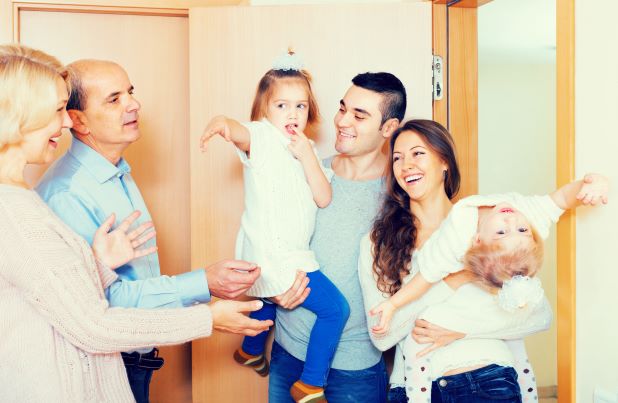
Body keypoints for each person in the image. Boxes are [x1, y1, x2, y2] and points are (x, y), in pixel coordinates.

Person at [0, 44, 272, 403]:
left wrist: (98, 263)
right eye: (57, 111)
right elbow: (93, 324)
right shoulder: (25, 209)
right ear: (19, 117)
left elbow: (63, 294)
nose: (65, 123)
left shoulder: (24, 199)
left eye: (130, 93)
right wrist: (207, 316)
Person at [358, 120, 562, 403]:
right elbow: (382, 335)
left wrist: (461, 331)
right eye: (397, 158)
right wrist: (454, 280)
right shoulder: (377, 242)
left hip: (487, 380)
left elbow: (540, 316)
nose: (406, 166)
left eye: (418, 153)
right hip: (413, 389)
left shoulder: (486, 226)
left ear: (444, 161)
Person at [200, 51, 349, 403]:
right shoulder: (263, 136)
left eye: (300, 106)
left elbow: (323, 197)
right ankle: (311, 382)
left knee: (266, 300)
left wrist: (307, 156)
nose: (292, 114)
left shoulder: (306, 148)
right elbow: (241, 133)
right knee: (336, 310)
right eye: (282, 106)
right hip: (279, 254)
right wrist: (223, 123)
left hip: (274, 252)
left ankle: (250, 350)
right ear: (264, 109)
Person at [268, 71, 406, 403]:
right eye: (343, 108)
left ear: (388, 127)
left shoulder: (401, 195)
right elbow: (270, 239)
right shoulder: (309, 171)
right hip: (289, 353)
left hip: (355, 369)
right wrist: (272, 289)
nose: (342, 121)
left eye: (359, 115)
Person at [370, 171, 609, 334]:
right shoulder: (529, 216)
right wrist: (590, 185)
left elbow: (425, 278)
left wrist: (392, 304)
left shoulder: (457, 235)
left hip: (436, 268)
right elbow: (564, 198)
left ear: (478, 240)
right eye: (522, 230)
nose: (511, 220)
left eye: (501, 233)